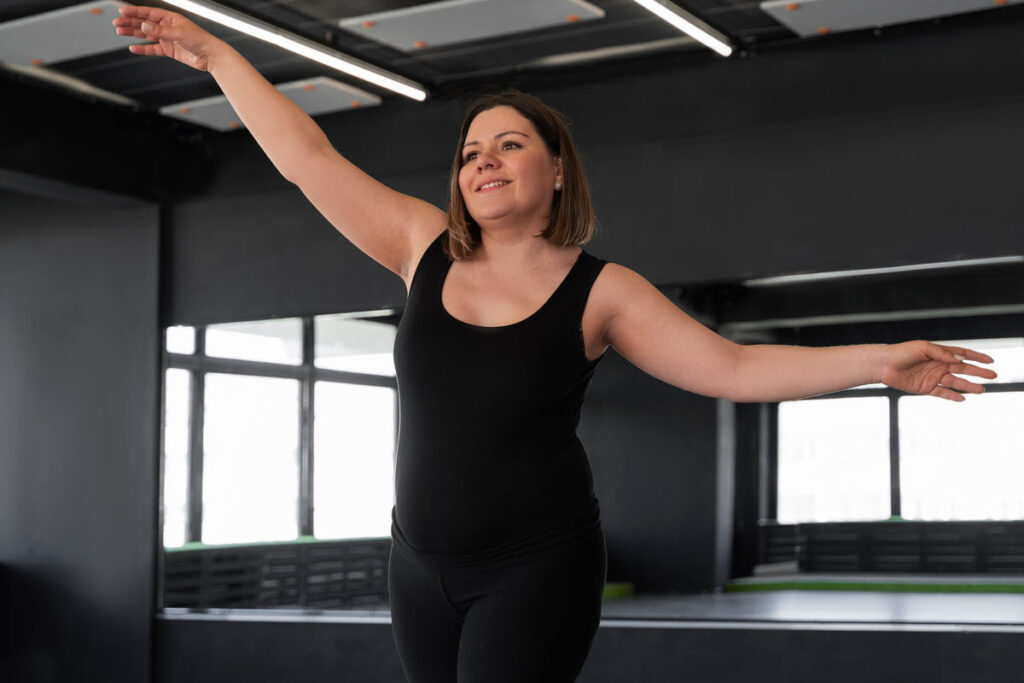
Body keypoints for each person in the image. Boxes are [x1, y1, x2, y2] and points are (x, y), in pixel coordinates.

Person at [114, 7, 997, 682]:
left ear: (557, 167)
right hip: (417, 561)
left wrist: (878, 362)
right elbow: (306, 157)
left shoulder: (600, 291)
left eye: (509, 144)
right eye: (469, 153)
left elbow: (731, 367)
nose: (483, 162)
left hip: (536, 569)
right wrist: (218, 54)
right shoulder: (421, 246)